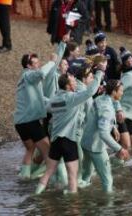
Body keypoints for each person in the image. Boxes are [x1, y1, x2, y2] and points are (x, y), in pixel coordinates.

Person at [35, 62, 105, 195]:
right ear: (68, 85)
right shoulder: (72, 98)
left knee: (47, 174)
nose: (75, 82)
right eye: (73, 81)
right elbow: (90, 92)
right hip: (69, 141)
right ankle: (72, 206)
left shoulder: (54, 99)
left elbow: (47, 106)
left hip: (55, 141)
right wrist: (100, 72)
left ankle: (36, 195)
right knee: (72, 177)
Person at [14, 52, 59, 179]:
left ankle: (24, 178)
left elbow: (42, 99)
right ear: (28, 66)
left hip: (19, 123)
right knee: (49, 153)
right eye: (36, 63)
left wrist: (57, 104)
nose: (39, 65)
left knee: (30, 149)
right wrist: (51, 61)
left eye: (39, 62)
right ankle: (51, 182)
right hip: (30, 121)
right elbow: (41, 73)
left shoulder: (25, 79)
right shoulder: (29, 75)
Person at [80, 80, 129, 192]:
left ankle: (80, 200)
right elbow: (103, 133)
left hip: (85, 143)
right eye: (121, 91)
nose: (122, 93)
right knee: (107, 180)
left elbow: (101, 117)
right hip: (96, 147)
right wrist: (119, 148)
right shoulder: (107, 109)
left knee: (86, 176)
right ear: (114, 92)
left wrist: (113, 126)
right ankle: (108, 207)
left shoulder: (100, 98)